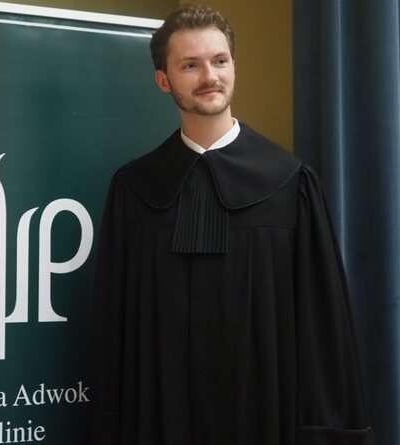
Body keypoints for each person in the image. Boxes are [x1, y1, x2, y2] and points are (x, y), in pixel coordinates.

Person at [89, 4, 374, 445]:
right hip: (161, 417)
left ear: (234, 67)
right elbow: (114, 329)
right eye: (190, 65)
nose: (210, 76)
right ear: (164, 80)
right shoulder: (135, 190)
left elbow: (322, 330)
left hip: (264, 415)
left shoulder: (290, 183)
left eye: (220, 61)